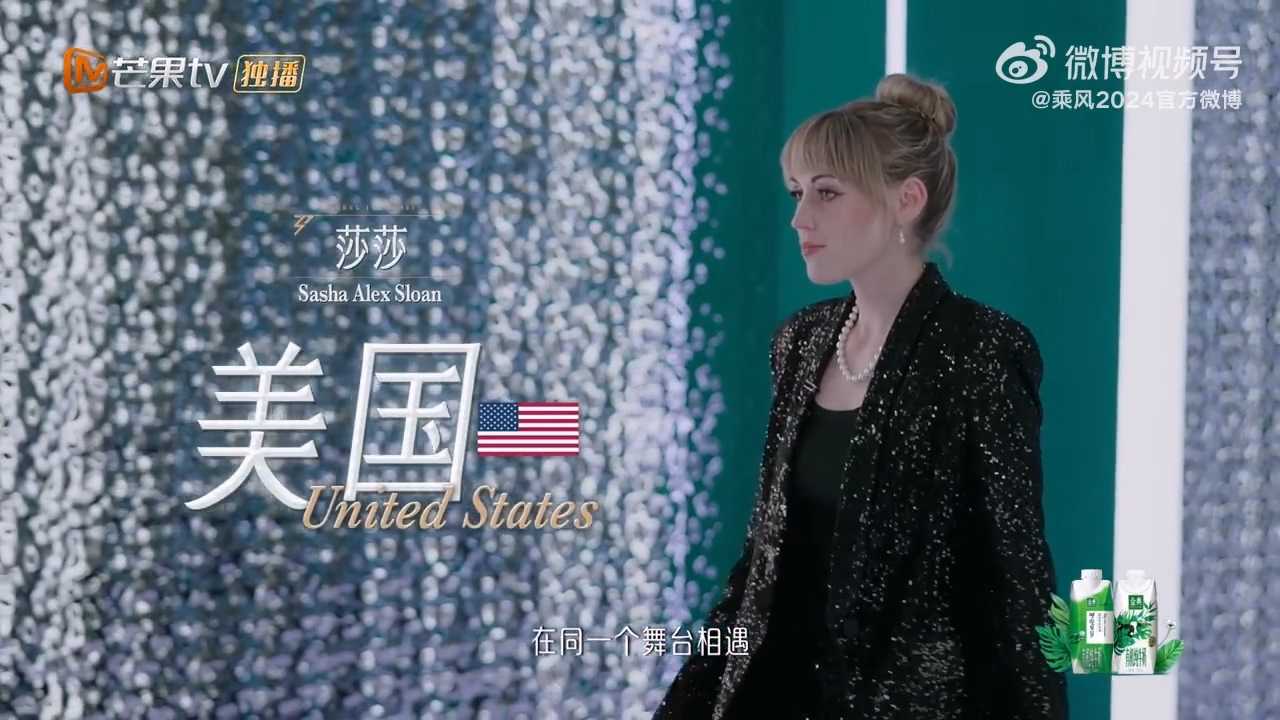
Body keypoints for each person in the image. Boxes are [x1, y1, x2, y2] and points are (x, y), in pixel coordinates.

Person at [652, 74, 1068, 719]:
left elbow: (1015, 583)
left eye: (827, 192)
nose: (800, 218)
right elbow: (764, 559)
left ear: (906, 199)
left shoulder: (981, 348)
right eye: (797, 193)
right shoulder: (800, 341)